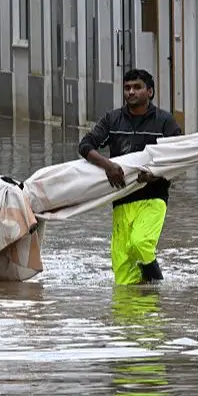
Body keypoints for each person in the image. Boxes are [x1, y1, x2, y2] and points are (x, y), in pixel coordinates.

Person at [78, 68, 183, 286]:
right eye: (127, 88)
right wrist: (108, 166)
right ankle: (132, 316)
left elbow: (178, 158)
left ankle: (158, 288)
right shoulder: (113, 120)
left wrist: (154, 176)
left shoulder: (164, 122)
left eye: (137, 87)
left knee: (140, 243)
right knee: (123, 272)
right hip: (122, 198)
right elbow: (86, 145)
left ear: (150, 92)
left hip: (153, 197)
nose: (131, 92)